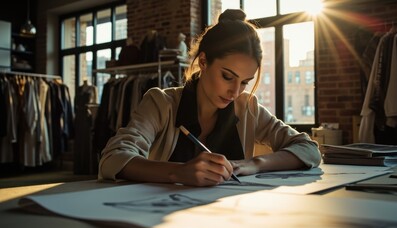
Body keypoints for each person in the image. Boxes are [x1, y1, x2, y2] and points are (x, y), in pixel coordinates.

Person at [98, 9, 321, 186]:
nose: (235, 92)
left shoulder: (246, 107)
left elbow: (308, 149)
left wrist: (254, 164)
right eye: (227, 76)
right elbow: (113, 158)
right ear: (203, 62)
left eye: (244, 82)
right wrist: (178, 172)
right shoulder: (161, 104)